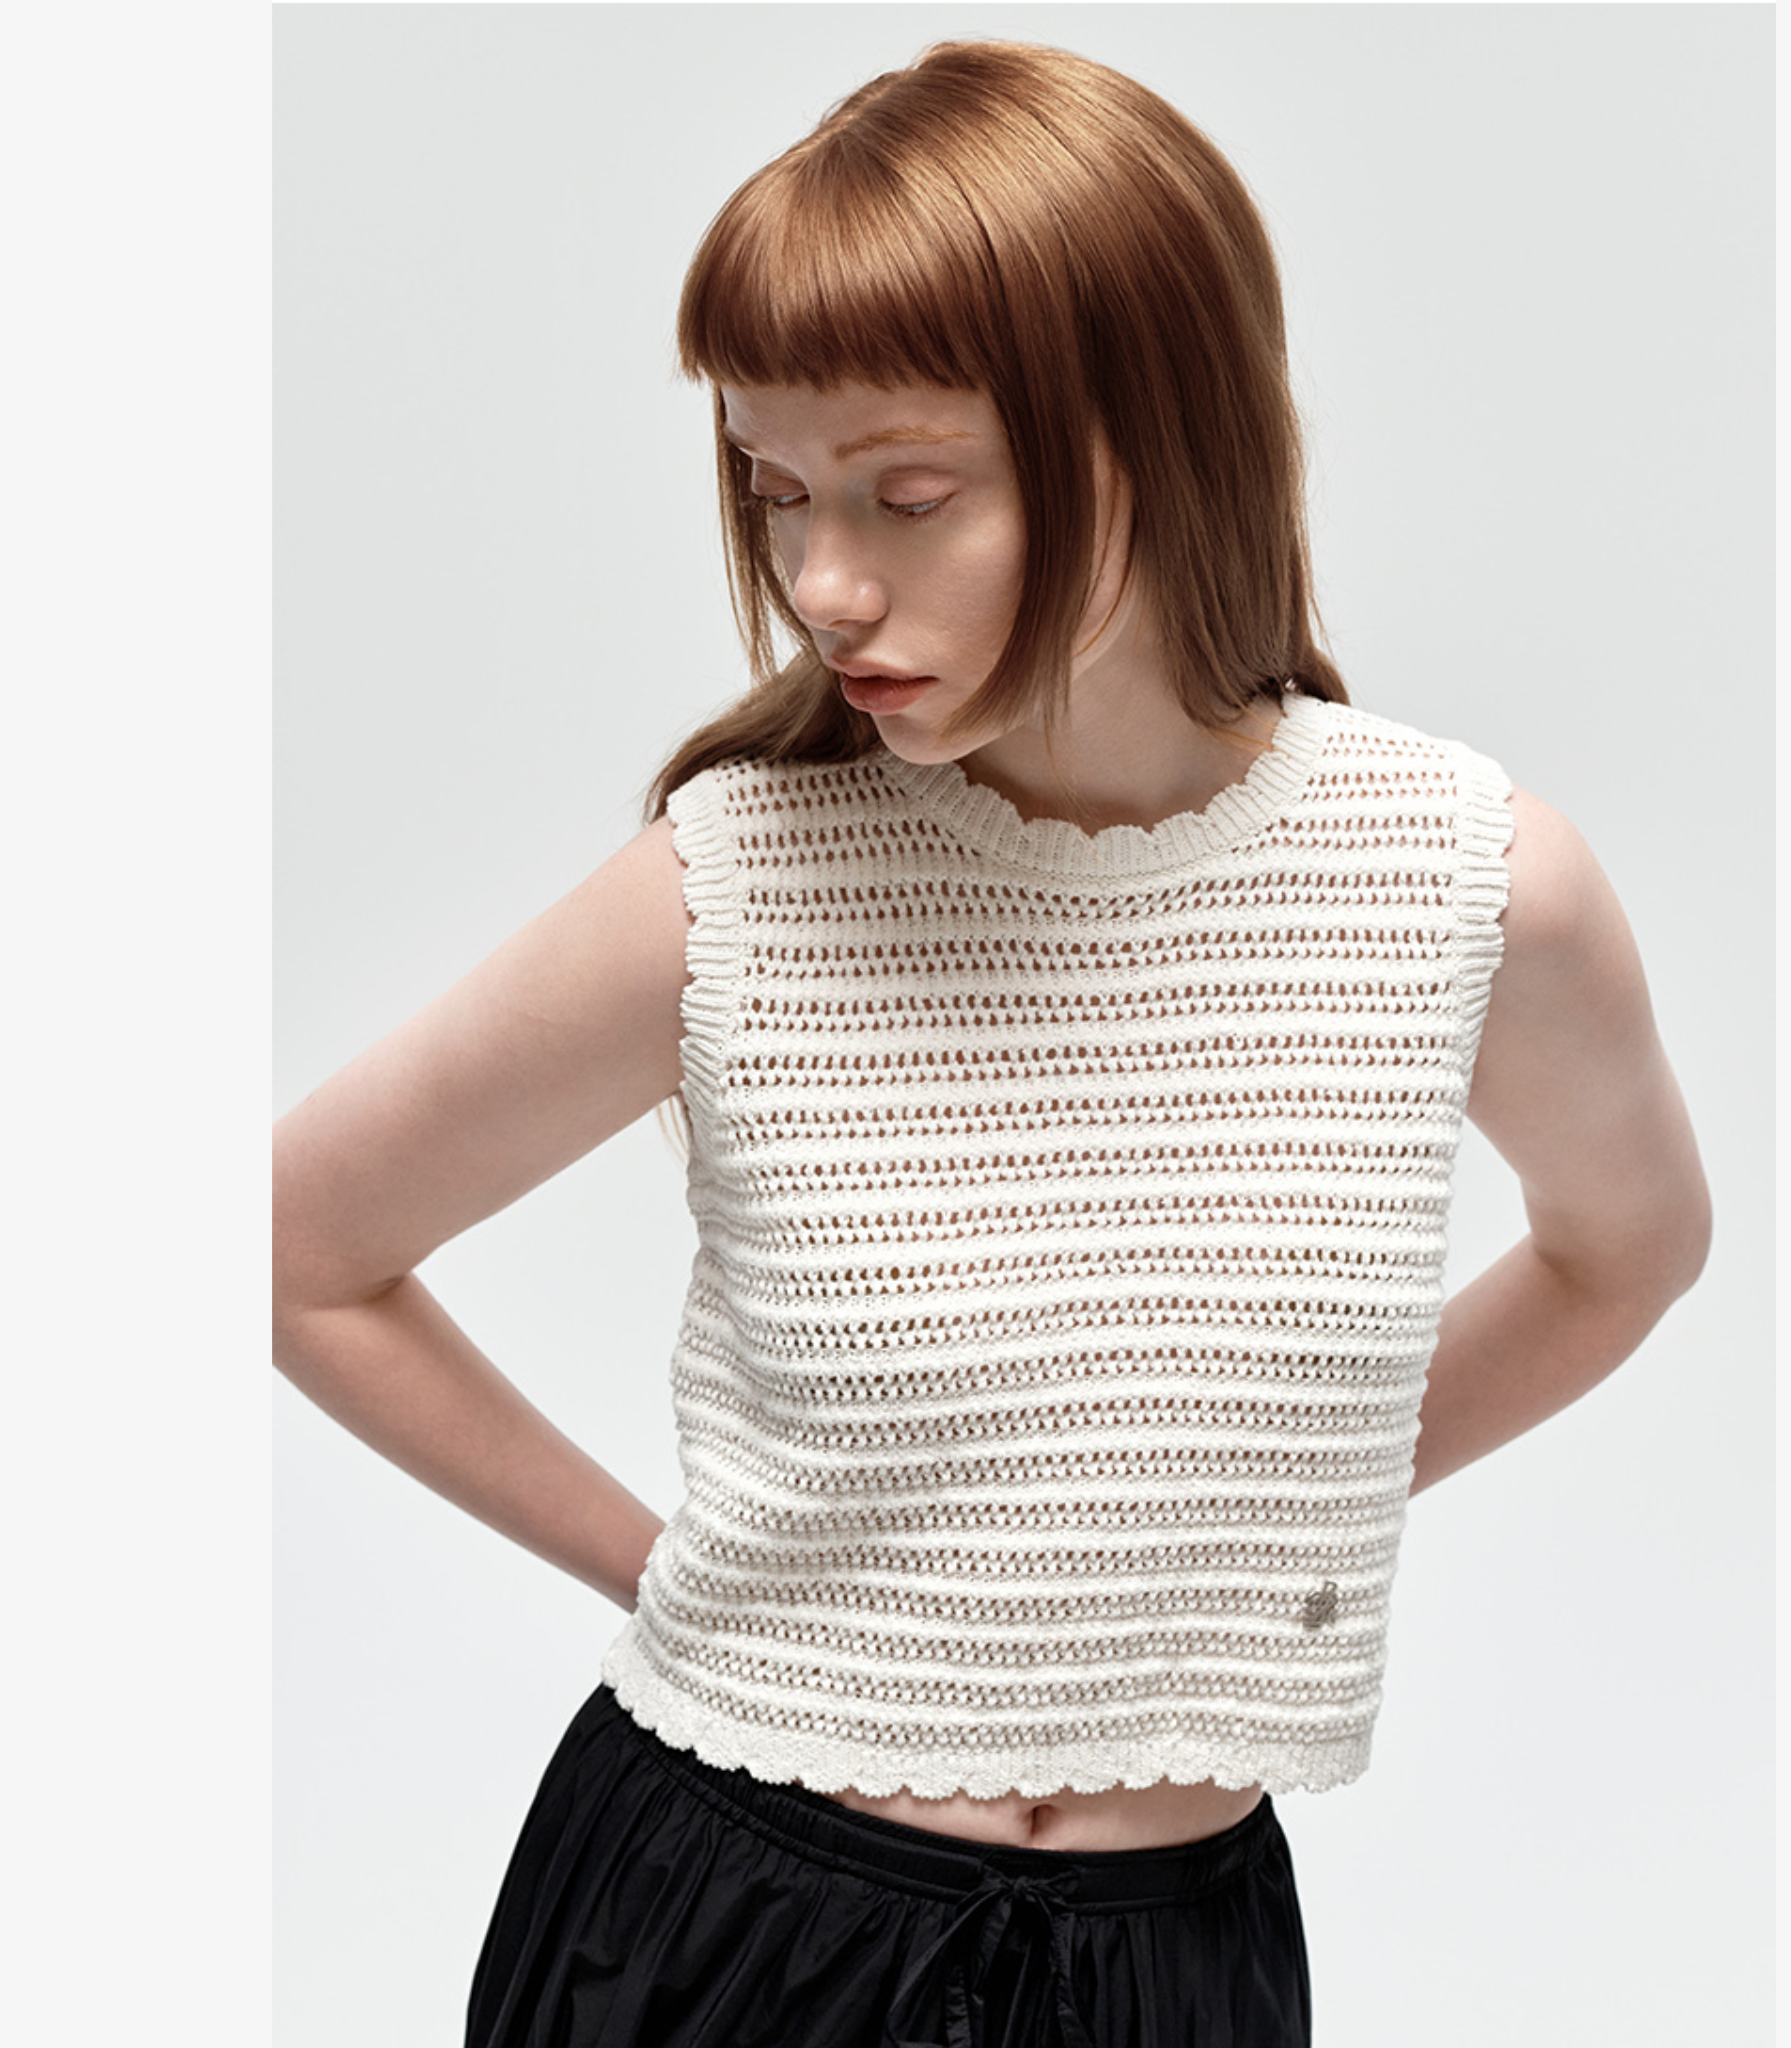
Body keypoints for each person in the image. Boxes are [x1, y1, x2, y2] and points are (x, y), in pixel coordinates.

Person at [273, 37, 1711, 2048]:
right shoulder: (737, 884)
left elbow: (1628, 1250)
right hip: (723, 1927)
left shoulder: (1468, 886)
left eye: (909, 493)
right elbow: (298, 1249)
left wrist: (1264, 1492)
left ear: (1156, 440)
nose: (821, 583)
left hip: (1173, 1957)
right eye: (777, 492)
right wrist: (667, 1568)